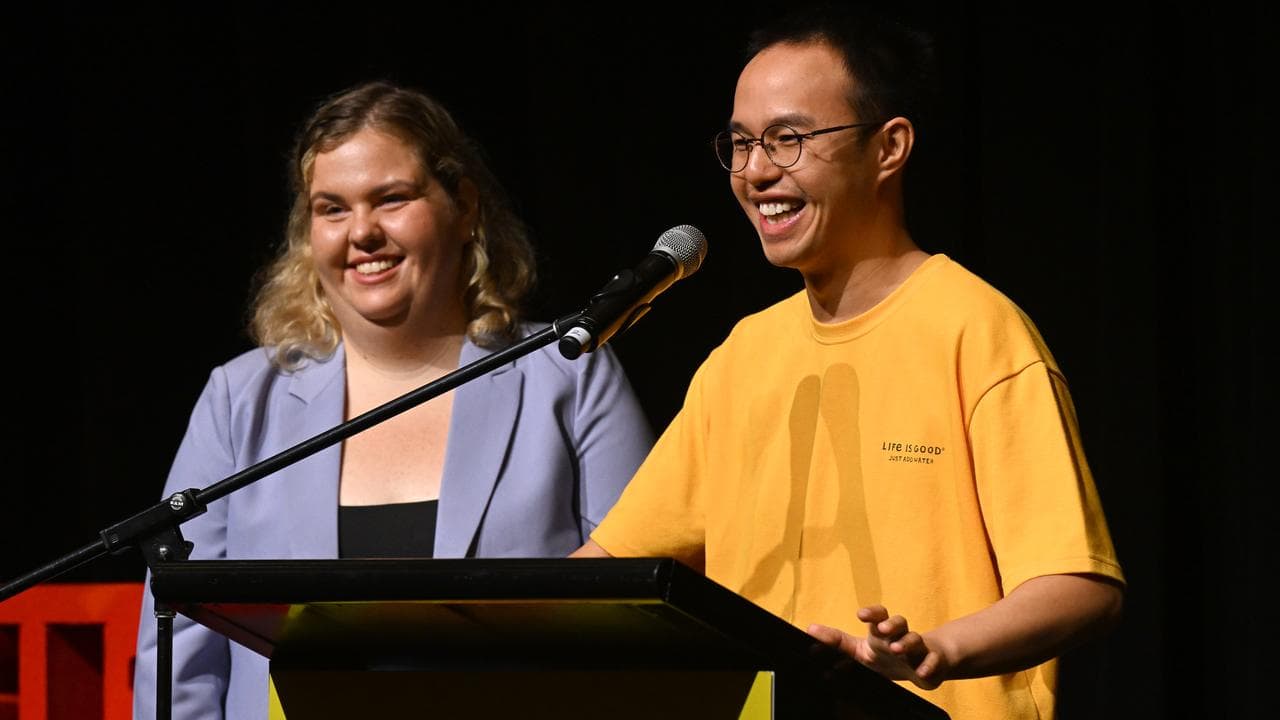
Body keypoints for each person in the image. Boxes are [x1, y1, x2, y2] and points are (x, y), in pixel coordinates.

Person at [573, 5, 1124, 719]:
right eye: (740, 144)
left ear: (889, 147)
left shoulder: (976, 329)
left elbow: (1081, 586)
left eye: (790, 139)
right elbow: (616, 565)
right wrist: (472, 617)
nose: (756, 172)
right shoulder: (744, 356)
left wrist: (937, 652)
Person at [133, 81, 654, 719]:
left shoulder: (569, 374)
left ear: (463, 206)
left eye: (393, 199)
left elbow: (641, 617)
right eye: (332, 208)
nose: (362, 233)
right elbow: (179, 650)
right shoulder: (241, 399)